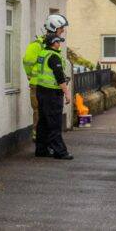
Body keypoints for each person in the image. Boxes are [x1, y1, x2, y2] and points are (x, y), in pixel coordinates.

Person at [22, 14, 68, 142]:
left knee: (48, 115)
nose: (63, 31)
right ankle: (40, 142)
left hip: (51, 88)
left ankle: (45, 142)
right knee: (40, 113)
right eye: (61, 28)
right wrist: (32, 77)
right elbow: (27, 62)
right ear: (54, 28)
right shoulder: (37, 45)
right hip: (38, 86)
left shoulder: (53, 44)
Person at [33, 33, 73, 160]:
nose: (59, 44)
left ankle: (41, 149)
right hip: (52, 94)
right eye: (58, 42)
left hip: (41, 91)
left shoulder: (43, 54)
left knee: (43, 122)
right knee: (54, 123)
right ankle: (60, 151)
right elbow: (59, 77)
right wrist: (67, 93)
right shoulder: (54, 57)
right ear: (53, 43)